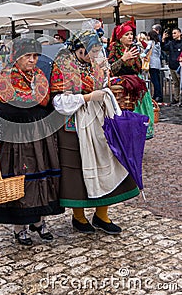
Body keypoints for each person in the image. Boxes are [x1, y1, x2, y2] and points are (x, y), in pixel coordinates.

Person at [50, 29, 140, 235]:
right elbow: (58, 101)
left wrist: (108, 91)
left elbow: (105, 84)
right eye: (92, 51)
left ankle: (102, 215)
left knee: (108, 162)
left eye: (98, 51)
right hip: (73, 125)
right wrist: (88, 97)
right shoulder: (63, 66)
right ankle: (79, 217)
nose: (95, 55)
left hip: (99, 122)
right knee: (77, 170)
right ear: (79, 48)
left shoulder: (96, 65)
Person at [0, 37, 64, 245]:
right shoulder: (7, 79)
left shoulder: (40, 76)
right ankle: (20, 227)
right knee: (20, 178)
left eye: (35, 56)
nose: (32, 60)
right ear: (17, 57)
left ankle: (39, 221)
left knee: (42, 177)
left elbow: (48, 104)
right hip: (15, 135)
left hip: (39, 133)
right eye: (28, 56)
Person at [108, 21, 154, 139]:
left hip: (136, 84)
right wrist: (123, 59)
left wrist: (137, 59)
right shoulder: (115, 49)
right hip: (122, 88)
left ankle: (140, 135)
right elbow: (111, 69)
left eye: (131, 34)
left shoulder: (134, 48)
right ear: (120, 37)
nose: (130, 37)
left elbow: (138, 68)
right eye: (126, 34)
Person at [161, 28, 182, 105]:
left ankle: (180, 98)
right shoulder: (171, 43)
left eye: (175, 33)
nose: (173, 35)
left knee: (181, 83)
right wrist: (163, 39)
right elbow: (164, 48)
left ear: (179, 33)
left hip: (179, 67)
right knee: (176, 83)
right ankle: (176, 98)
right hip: (172, 66)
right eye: (173, 33)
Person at [141, 30, 163, 102]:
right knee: (157, 80)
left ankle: (157, 95)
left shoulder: (151, 42)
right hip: (157, 63)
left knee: (154, 80)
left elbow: (146, 50)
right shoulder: (158, 43)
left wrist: (141, 55)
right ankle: (158, 95)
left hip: (152, 63)